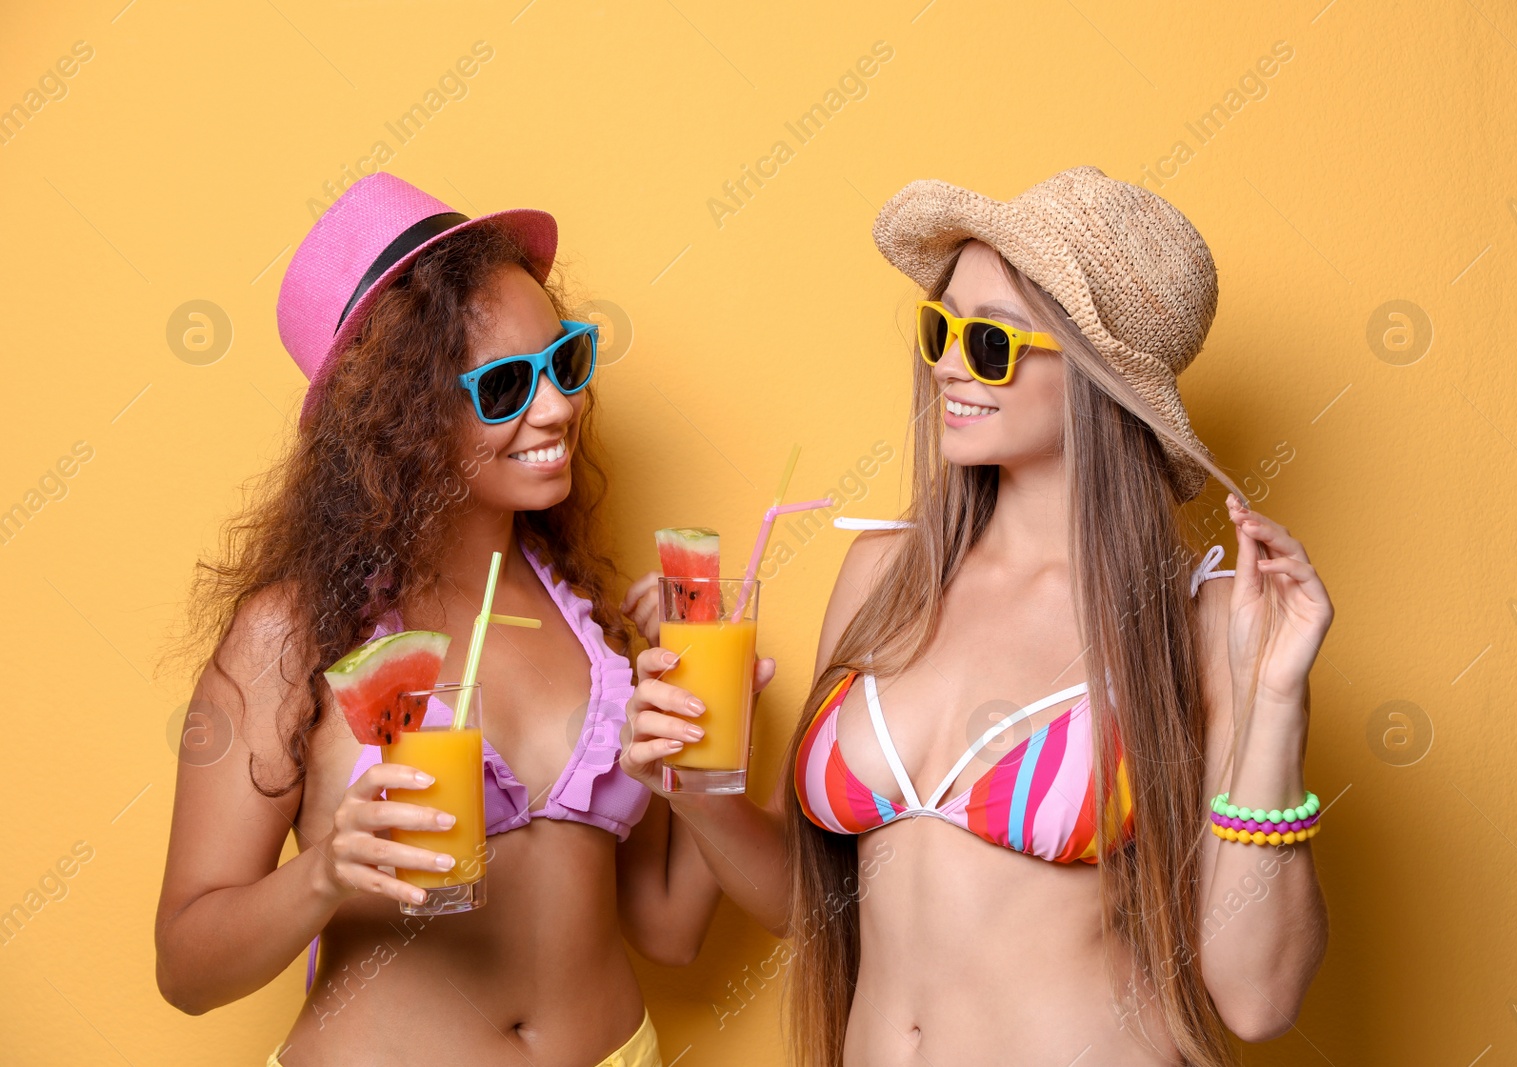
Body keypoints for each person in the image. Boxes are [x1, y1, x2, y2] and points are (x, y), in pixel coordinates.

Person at [623, 167, 1333, 1066]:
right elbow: (805, 906)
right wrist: (692, 788)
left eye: (991, 340)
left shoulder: (1200, 621)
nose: (950, 363)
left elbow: (1258, 996)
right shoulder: (886, 575)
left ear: (1100, 375)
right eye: (941, 327)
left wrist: (1276, 700)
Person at [155, 173, 726, 1067]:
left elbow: (669, 929)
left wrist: (711, 738)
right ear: (398, 419)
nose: (558, 408)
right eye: (504, 386)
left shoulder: (596, 626)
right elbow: (186, 968)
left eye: (565, 362)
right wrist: (326, 872)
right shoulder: (293, 635)